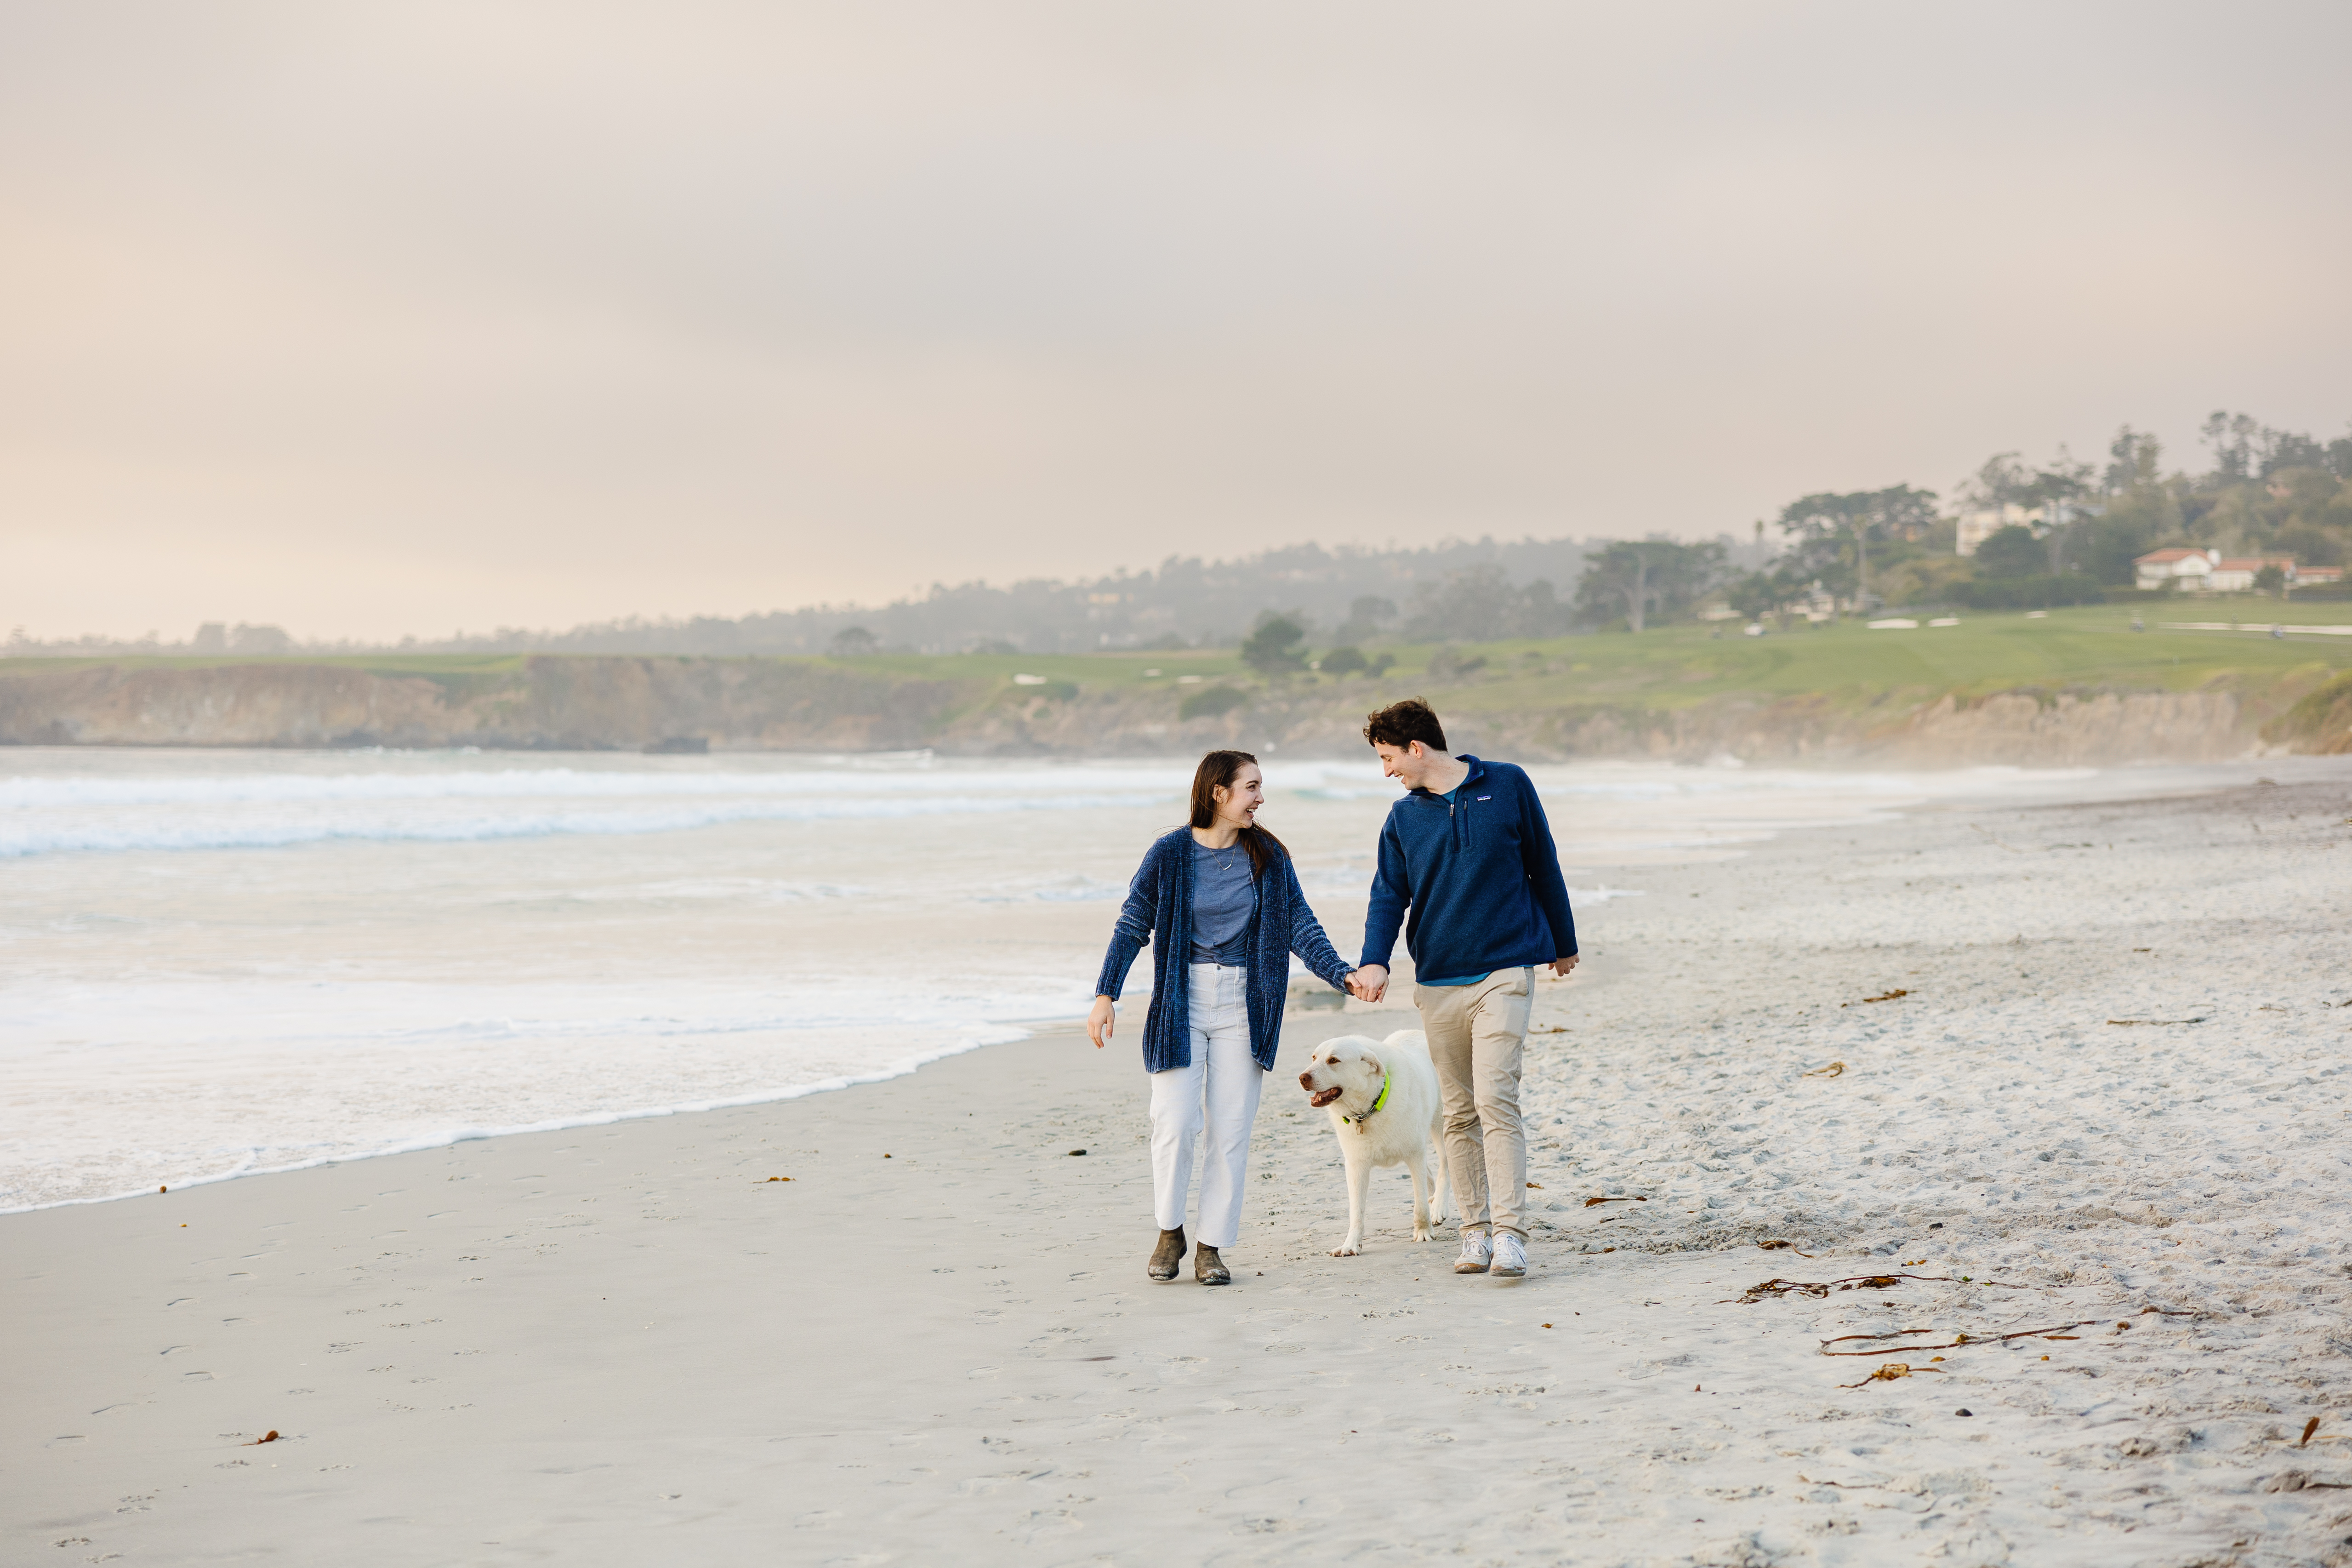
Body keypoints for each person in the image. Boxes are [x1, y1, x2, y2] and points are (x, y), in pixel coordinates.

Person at [1088, 750, 1360, 1285]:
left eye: (1260, 788)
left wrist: (1342, 974)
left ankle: (1211, 1246)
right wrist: (1106, 994)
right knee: (1172, 1124)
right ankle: (1170, 1230)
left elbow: (1299, 926)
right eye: (1252, 787)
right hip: (1179, 1001)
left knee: (1230, 1130)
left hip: (1245, 1002)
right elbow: (1133, 922)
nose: (1261, 798)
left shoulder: (1268, 857)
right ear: (1218, 793)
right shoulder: (1168, 854)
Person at [1348, 699, 1577, 1282]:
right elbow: (1386, 897)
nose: (1386, 771)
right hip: (1438, 981)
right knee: (1458, 1112)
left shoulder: (1507, 784)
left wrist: (1562, 941)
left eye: (1387, 757)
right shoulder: (1403, 819)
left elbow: (1541, 863)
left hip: (1505, 969)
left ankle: (1511, 1236)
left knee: (1496, 1099)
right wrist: (1375, 960)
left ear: (1415, 749)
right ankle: (1473, 1232)